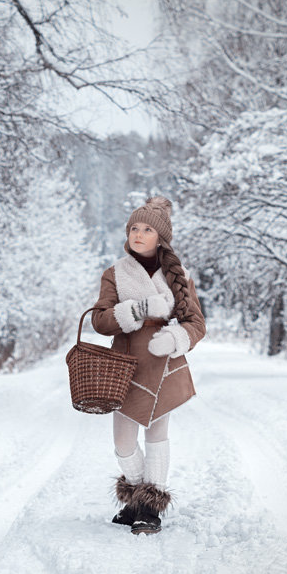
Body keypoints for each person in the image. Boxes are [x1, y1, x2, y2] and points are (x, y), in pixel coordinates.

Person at [90, 196, 206, 535]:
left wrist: (176, 339)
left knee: (157, 435)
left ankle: (148, 508)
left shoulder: (179, 276)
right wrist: (138, 310)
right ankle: (138, 499)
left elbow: (196, 323)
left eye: (147, 229)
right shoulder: (115, 273)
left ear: (161, 237)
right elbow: (99, 321)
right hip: (125, 366)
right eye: (134, 228)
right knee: (123, 442)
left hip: (165, 365)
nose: (138, 235)